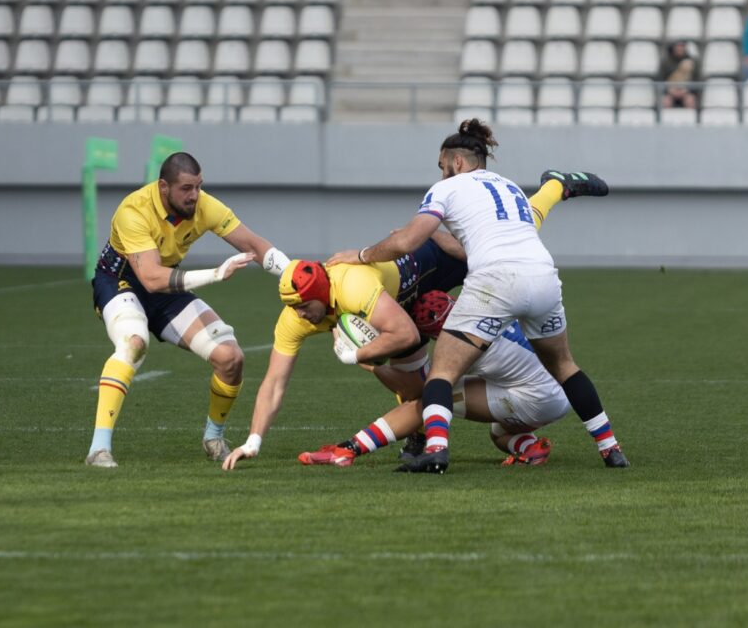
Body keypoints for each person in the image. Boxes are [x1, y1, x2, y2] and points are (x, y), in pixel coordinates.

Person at [221, 170, 610, 470]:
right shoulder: (476, 312)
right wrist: (254, 439)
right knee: (493, 429)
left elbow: (408, 344)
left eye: (304, 307)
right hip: (535, 364)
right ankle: (555, 187)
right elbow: (275, 380)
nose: (299, 315)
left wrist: (361, 359)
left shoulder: (452, 333)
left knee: (432, 393)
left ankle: (418, 447)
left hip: (433, 285)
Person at [326, 119, 629, 473]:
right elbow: (480, 241)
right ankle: (611, 449)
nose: (441, 175)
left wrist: (360, 255)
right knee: (564, 366)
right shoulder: (510, 188)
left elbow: (406, 241)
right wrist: (441, 237)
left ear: (456, 162)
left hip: (496, 281)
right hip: (543, 276)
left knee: (442, 372)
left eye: (442, 167)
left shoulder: (446, 190)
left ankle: (435, 450)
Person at [85, 151, 291, 468]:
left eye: (198, 186)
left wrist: (297, 274)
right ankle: (99, 449)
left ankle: (213, 438)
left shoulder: (204, 205)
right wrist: (215, 274)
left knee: (230, 357)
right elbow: (150, 278)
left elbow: (252, 243)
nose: (194, 195)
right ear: (163, 187)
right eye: (186, 188)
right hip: (120, 282)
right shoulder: (134, 210)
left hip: (166, 285)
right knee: (134, 343)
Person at [297, 290, 623, 470]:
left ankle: (349, 450)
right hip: (554, 389)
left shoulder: (462, 345)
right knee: (500, 433)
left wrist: (365, 360)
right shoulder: (480, 308)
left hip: (533, 397)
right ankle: (532, 448)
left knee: (426, 401)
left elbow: (414, 389)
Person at [660, 41, 699, 109]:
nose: (680, 48)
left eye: (682, 46)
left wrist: (685, 91)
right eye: (678, 46)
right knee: (665, 101)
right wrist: (670, 91)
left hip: (686, 91)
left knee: (690, 100)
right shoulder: (666, 62)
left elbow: (695, 80)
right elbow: (661, 79)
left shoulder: (691, 61)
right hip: (670, 91)